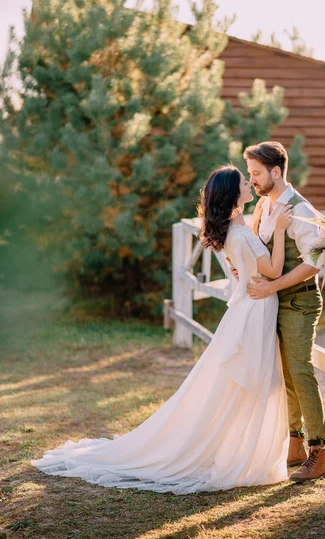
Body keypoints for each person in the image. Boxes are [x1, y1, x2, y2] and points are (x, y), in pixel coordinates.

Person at [31, 165, 292, 494]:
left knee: (245, 383)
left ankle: (243, 447)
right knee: (251, 382)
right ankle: (242, 451)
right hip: (255, 309)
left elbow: (247, 260)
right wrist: (280, 230)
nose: (249, 183)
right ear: (232, 192)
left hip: (250, 309)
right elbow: (274, 269)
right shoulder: (238, 234)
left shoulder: (234, 227)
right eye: (243, 180)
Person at [229, 141, 325, 482]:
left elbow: (316, 260)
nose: (252, 180)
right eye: (250, 174)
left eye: (257, 173)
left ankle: (319, 452)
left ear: (276, 171)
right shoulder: (264, 204)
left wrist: (272, 286)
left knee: (300, 371)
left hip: (299, 300)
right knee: (283, 374)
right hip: (272, 302)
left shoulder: (299, 210)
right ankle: (296, 444)